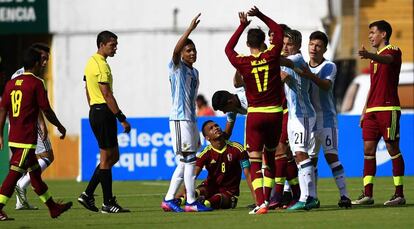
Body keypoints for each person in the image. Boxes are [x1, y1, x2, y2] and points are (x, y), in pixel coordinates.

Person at [0, 47, 72, 221]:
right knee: (14, 173)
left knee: (34, 174)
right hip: (26, 138)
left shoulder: (11, 83)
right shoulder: (36, 83)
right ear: (36, 63)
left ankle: (53, 207)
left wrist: (1, 133)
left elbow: (3, 108)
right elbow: (46, 109)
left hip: (14, 136)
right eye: (42, 61)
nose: (44, 64)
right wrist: (60, 126)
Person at [225, 6, 284, 214]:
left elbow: (228, 49)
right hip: (276, 113)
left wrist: (241, 26)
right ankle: (271, 197)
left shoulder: (243, 62)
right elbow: (278, 31)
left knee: (255, 161)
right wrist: (260, 15)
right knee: (271, 156)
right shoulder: (272, 55)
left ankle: (261, 203)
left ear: (249, 44)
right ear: (264, 42)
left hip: (257, 114)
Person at [161, 13, 212, 213]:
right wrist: (189, 29)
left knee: (185, 161)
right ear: (182, 54)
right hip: (179, 118)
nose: (192, 53)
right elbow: (175, 50)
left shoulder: (194, 72)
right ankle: (191, 201)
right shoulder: (176, 67)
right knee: (189, 158)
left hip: (191, 119)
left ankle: (168, 199)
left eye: (194, 50)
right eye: (188, 50)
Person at [352, 20, 405, 206]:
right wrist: (364, 111)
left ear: (383, 34)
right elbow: (373, 87)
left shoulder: (393, 51)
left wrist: (368, 55)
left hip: (388, 108)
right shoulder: (375, 57)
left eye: (373, 32)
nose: (370, 36)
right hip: (372, 111)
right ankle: (368, 194)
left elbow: (388, 60)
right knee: (368, 150)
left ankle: (399, 194)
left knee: (392, 149)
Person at [78, 30, 131, 213]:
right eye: (112, 44)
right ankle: (107, 202)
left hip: (96, 110)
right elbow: (106, 94)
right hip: (103, 112)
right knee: (107, 159)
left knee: (111, 157)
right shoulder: (101, 65)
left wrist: (93, 107)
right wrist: (121, 118)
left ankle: (88, 194)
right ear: (102, 44)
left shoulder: (90, 62)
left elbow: (86, 88)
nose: (115, 48)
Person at [299, 31, 351, 208]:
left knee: (331, 157)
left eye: (318, 45)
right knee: (310, 160)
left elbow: (326, 86)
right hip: (309, 121)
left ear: (324, 49)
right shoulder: (303, 66)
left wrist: (308, 75)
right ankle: (312, 197)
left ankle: (344, 196)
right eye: (311, 44)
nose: (314, 48)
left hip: (327, 119)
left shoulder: (329, 67)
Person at [10, 43, 54, 210]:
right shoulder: (34, 79)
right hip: (30, 122)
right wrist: (42, 123)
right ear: (34, 57)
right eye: (43, 59)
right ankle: (21, 185)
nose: (44, 63)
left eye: (47, 60)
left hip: (16, 123)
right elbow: (38, 105)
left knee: (26, 162)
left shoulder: (16, 75)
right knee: (47, 156)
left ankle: (20, 201)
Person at [278, 29, 318, 210]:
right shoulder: (290, 61)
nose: (285, 47)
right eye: (284, 44)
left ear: (298, 46)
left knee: (301, 155)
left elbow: (281, 68)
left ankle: (306, 198)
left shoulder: (296, 60)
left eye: (289, 44)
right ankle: (311, 197)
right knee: (298, 156)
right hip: (296, 115)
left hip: (302, 115)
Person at [193, 120, 251, 209]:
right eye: (211, 128)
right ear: (207, 138)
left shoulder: (237, 149)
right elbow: (193, 176)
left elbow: (248, 174)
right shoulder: (205, 154)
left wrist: (258, 201)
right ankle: (180, 200)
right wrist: (184, 192)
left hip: (229, 193)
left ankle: (202, 204)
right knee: (197, 191)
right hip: (210, 187)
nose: (216, 128)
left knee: (216, 199)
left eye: (216, 125)